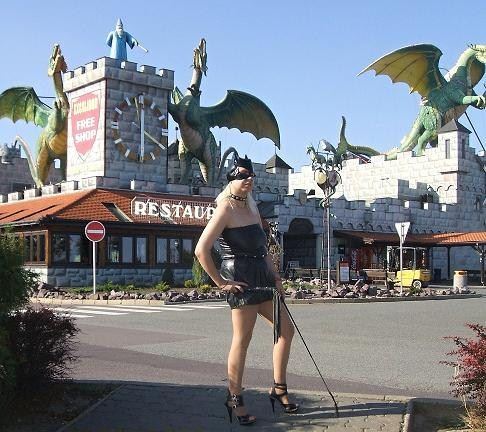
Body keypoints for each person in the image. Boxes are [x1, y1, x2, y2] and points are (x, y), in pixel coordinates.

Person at [195, 154, 298, 426]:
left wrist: (276, 278)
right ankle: (234, 398)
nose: (248, 179)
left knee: (286, 331)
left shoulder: (252, 207)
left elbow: (263, 250)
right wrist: (221, 283)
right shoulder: (225, 209)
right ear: (231, 179)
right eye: (242, 175)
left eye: (251, 175)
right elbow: (201, 250)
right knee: (242, 340)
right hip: (240, 279)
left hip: (263, 278)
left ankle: (279, 388)